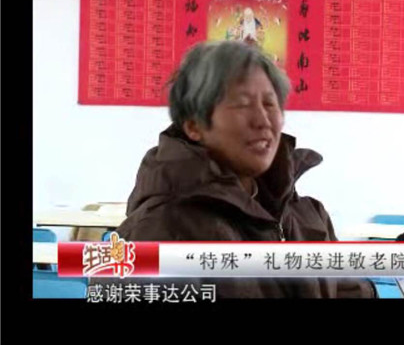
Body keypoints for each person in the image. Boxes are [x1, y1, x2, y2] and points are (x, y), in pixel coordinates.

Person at [94, 40, 375, 298]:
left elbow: (351, 290)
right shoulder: (156, 233)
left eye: (270, 103)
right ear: (194, 125)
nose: (263, 120)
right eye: (242, 104)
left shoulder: (308, 215)